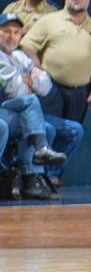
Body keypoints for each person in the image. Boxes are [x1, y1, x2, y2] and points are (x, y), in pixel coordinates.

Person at [0, 13, 67, 200]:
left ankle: (31, 180)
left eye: (15, 32)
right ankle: (35, 168)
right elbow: (15, 89)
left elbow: (46, 85)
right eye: (5, 31)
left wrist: (28, 81)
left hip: (16, 113)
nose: (11, 36)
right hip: (4, 109)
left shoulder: (21, 57)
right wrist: (31, 82)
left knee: (40, 125)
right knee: (30, 103)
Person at [20, 0, 91, 125]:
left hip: (80, 93)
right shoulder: (50, 20)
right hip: (52, 88)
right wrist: (39, 71)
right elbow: (27, 46)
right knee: (49, 132)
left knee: (72, 133)